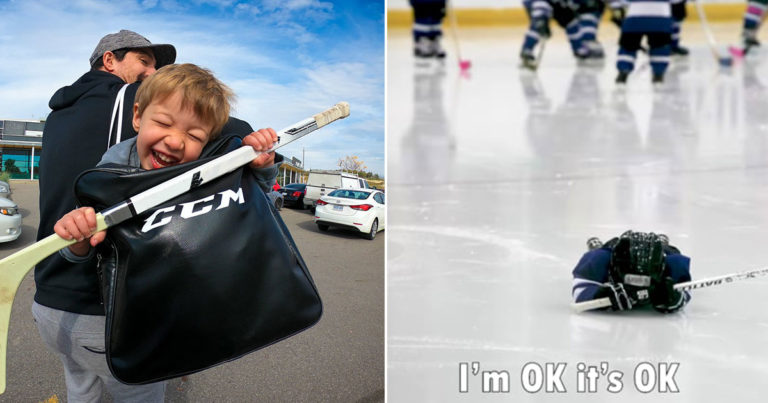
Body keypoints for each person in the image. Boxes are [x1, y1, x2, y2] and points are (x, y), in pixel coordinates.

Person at [37, 63, 280, 402]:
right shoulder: (113, 171)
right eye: (163, 123)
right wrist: (77, 239)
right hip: (121, 319)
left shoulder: (201, 172)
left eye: (194, 135)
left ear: (207, 142)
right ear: (137, 117)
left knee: (82, 387)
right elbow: (89, 249)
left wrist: (261, 166)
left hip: (169, 309)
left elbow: (252, 207)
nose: (175, 141)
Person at [571, 230, 692, 313]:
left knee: (670, 249)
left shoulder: (675, 263)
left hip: (666, 253)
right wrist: (600, 294)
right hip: (609, 250)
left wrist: (675, 298)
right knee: (601, 250)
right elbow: (580, 291)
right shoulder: (598, 259)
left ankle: (664, 244)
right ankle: (599, 246)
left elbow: (686, 290)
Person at [520, 0, 594, 70]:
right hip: (539, 3)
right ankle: (527, 50)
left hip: (556, 2)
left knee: (571, 21)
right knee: (539, 24)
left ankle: (578, 49)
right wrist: (540, 20)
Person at [612, 0, 673, 84]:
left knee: (628, 46)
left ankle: (623, 71)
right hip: (661, 19)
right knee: (660, 47)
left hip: (634, 18)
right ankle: (658, 74)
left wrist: (616, 9)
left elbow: (620, 2)